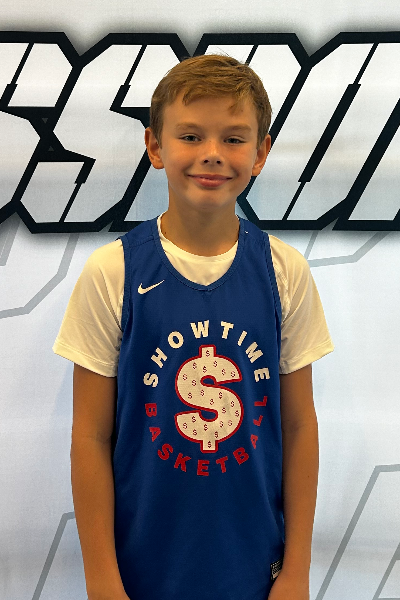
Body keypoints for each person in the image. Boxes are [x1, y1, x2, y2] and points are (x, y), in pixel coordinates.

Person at [53, 54, 334, 600]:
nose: (212, 153)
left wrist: (297, 570)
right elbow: (89, 436)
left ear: (261, 152)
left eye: (233, 138)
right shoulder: (112, 271)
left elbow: (300, 426)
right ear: (155, 146)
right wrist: (101, 579)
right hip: (140, 569)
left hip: (256, 565)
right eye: (190, 136)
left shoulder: (283, 271)